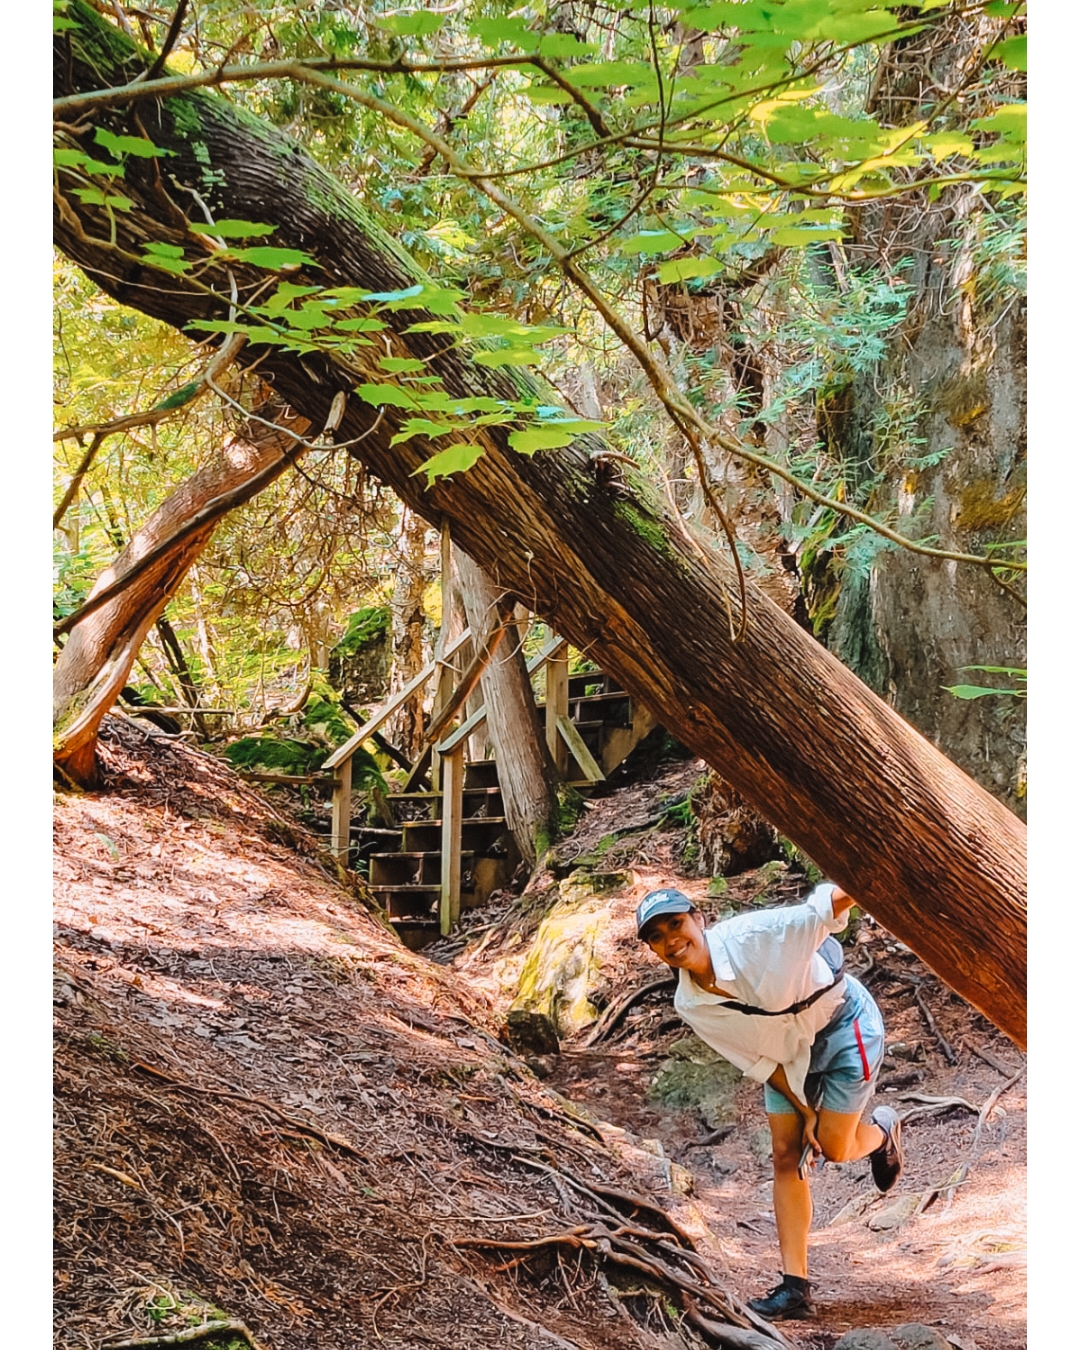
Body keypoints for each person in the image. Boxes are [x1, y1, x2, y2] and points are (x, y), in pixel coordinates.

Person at [635, 882, 903, 1321]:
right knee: (785, 1154)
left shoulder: (753, 936)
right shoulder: (690, 1003)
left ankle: (883, 1133)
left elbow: (822, 910)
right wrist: (803, 1110)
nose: (671, 940)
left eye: (676, 924)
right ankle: (795, 1287)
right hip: (785, 1054)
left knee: (835, 1147)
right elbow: (755, 1057)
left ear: (698, 919)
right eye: (657, 936)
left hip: (842, 1023)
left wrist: (879, 868)